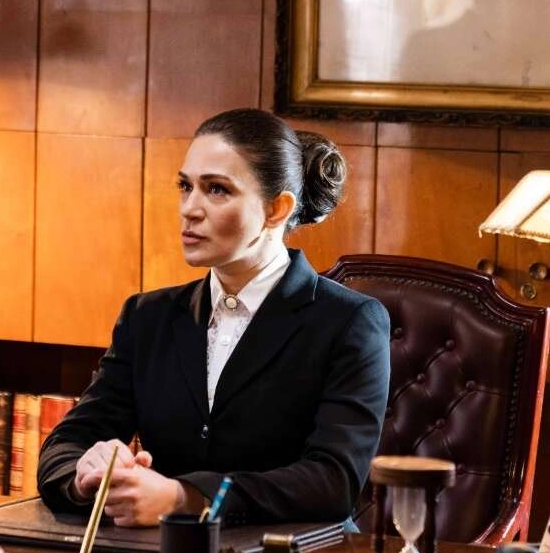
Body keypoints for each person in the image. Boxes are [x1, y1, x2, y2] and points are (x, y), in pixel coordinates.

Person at [37, 108, 391, 527]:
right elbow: (62, 449)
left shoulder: (350, 323)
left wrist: (185, 497)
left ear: (276, 209)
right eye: (185, 186)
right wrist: (86, 475)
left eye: (217, 190)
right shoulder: (146, 318)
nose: (190, 208)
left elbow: (332, 483)